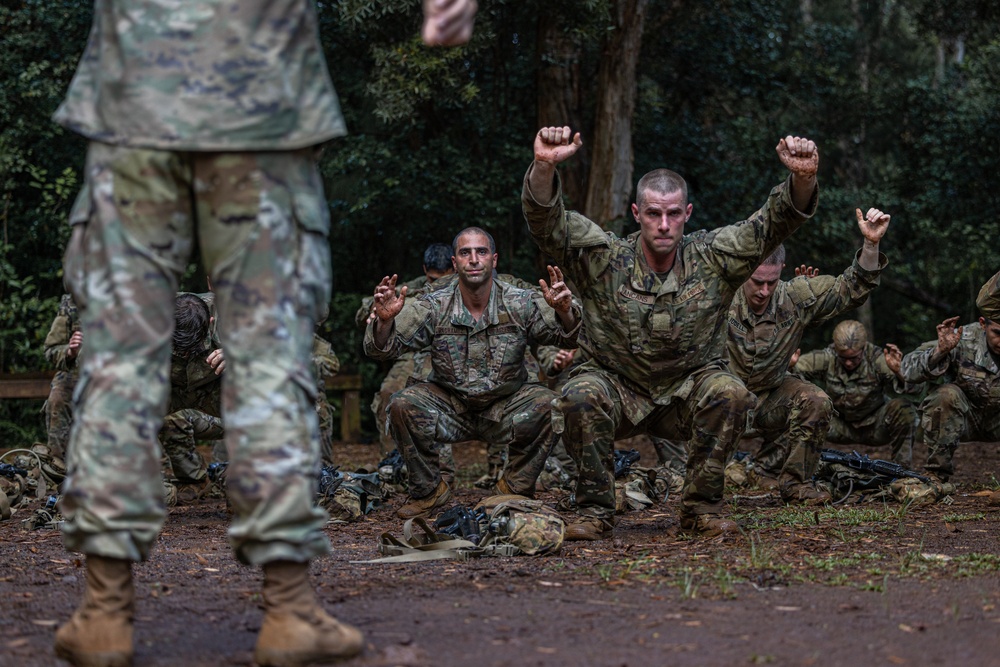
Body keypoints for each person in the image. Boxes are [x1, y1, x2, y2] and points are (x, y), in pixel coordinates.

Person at [52, 2, 476, 665]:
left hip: (139, 79)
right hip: (259, 86)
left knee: (121, 351)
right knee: (268, 350)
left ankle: (104, 610)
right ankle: (287, 608)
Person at [522, 126, 820, 540]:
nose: (664, 224)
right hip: (617, 385)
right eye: (654, 214)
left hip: (687, 388)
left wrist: (802, 179)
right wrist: (542, 166)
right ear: (636, 213)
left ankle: (701, 508)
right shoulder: (605, 259)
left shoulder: (715, 257)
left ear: (688, 214)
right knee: (579, 394)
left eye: (673, 213)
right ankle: (593, 509)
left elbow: (772, 225)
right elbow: (547, 224)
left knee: (729, 392)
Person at [365, 227, 581, 518]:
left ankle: (514, 488)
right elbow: (383, 348)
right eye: (465, 253)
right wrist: (384, 322)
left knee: (551, 405)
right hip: (451, 406)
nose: (474, 259)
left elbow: (565, 337)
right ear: (455, 264)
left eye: (481, 252)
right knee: (401, 404)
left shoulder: (519, 301)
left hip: (506, 405)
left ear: (494, 259)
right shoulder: (435, 303)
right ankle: (429, 491)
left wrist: (565, 310)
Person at [728, 209, 888, 504]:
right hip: (722, 401)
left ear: (782, 272)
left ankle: (796, 484)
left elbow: (851, 288)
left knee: (815, 399)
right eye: (756, 281)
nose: (764, 291)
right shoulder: (721, 297)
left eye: (771, 282)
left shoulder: (794, 297)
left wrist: (870, 245)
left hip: (768, 399)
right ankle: (698, 483)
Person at [357, 242, 455, 456]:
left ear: (454, 268)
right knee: (388, 393)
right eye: (432, 279)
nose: (437, 283)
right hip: (415, 351)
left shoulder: (468, 287)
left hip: (454, 349)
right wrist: (375, 306)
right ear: (424, 271)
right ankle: (393, 461)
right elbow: (365, 313)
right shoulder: (413, 289)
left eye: (443, 278)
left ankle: (486, 468)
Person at [899, 296, 1000, 484]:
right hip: (964, 418)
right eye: (998, 333)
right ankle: (937, 473)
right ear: (982, 324)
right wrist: (940, 351)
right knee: (945, 395)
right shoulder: (961, 338)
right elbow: (907, 370)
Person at [792, 319, 919, 466]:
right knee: (805, 405)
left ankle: (901, 473)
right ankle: (800, 469)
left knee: (904, 408)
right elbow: (797, 369)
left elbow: (916, 389)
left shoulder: (878, 359)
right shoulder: (827, 357)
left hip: (875, 426)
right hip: (837, 425)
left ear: (864, 348)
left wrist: (899, 372)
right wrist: (790, 366)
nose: (848, 363)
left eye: (854, 358)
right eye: (843, 358)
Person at [42, 294, 82, 461]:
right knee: (58, 397)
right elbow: (51, 349)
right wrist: (70, 351)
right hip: (79, 371)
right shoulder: (72, 302)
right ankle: (57, 468)